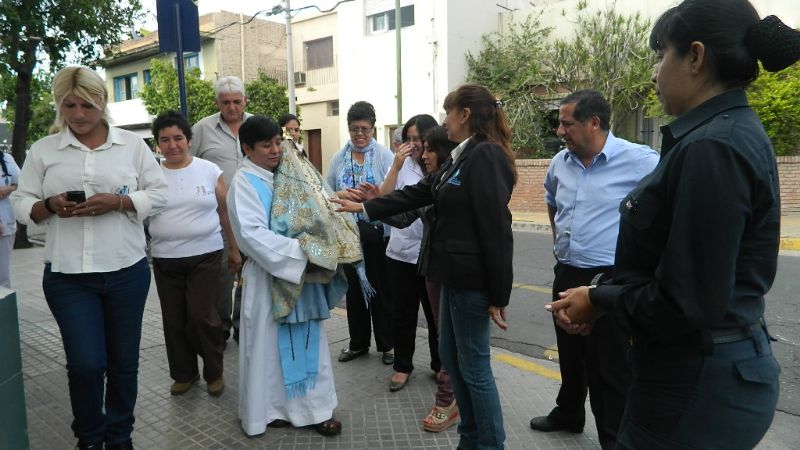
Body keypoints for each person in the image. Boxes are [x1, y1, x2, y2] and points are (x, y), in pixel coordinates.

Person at [548, 2, 800, 448]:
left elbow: (687, 300)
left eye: (662, 54)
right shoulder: (719, 135)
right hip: (701, 371)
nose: (654, 73)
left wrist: (600, 298)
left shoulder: (713, 147)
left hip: (696, 383)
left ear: (696, 57)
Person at [335, 84, 515, 449]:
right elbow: (420, 192)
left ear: (464, 114)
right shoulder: (462, 157)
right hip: (448, 276)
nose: (444, 120)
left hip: (471, 281)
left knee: (474, 367)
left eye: (448, 112)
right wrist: (368, 207)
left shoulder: (487, 156)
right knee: (451, 357)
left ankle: (490, 443)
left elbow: (497, 230)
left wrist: (498, 293)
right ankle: (470, 439)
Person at [11, 66, 167, 450]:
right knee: (85, 364)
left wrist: (120, 201)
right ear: (59, 105)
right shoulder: (43, 151)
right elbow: (20, 200)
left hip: (126, 271)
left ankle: (119, 438)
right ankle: (90, 437)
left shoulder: (131, 146)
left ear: (103, 103)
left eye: (88, 105)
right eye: (69, 105)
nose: (79, 114)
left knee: (123, 362)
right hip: (68, 276)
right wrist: (48, 205)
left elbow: (161, 193)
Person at [529, 90, 658, 449]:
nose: (559, 131)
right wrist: (561, 248)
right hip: (568, 270)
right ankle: (569, 412)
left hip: (610, 277)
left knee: (609, 367)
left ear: (594, 123)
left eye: (566, 123)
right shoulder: (560, 163)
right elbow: (554, 204)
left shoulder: (641, 161)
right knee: (569, 352)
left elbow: (664, 212)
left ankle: (613, 439)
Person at [228, 115, 346, 437]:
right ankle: (273, 409)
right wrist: (306, 253)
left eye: (278, 142)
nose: (275, 150)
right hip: (270, 277)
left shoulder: (286, 173)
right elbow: (252, 236)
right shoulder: (244, 182)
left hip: (300, 279)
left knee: (310, 343)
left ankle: (317, 410)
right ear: (247, 148)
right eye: (266, 145)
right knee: (267, 350)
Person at [148, 111, 242, 397]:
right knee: (174, 320)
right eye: (165, 140)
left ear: (188, 140)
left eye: (178, 138)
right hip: (165, 258)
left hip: (207, 255)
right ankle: (184, 374)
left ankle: (214, 371)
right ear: (158, 145)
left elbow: (224, 212)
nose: (172, 145)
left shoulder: (208, 170)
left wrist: (234, 249)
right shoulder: (150, 174)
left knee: (203, 316)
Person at [373, 114, 441, 392]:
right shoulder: (399, 164)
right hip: (400, 252)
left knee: (436, 315)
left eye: (418, 139)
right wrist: (396, 166)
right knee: (403, 313)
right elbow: (383, 197)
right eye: (408, 139)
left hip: (430, 256)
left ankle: (440, 365)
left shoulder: (438, 163)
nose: (413, 145)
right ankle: (403, 366)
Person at [325, 101, 395, 365]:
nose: (360, 134)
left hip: (377, 236)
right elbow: (326, 194)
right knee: (354, 292)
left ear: (374, 129)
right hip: (348, 238)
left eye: (365, 129)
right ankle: (358, 343)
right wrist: (340, 195)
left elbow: (393, 193)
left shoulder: (384, 156)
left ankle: (388, 346)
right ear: (348, 128)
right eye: (354, 129)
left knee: (382, 290)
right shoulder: (337, 159)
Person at [190, 76, 250, 344]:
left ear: (245, 101)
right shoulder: (202, 130)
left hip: (253, 216)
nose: (232, 107)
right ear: (217, 103)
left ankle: (243, 326)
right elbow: (188, 166)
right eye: (226, 102)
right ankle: (221, 328)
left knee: (251, 276)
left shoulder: (257, 125)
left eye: (237, 101)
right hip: (218, 219)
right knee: (224, 278)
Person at [0, 151, 20, 288]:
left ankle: (4, 309)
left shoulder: (6, 158)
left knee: (2, 277)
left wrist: (10, 188)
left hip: (5, 225)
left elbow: (21, 183)